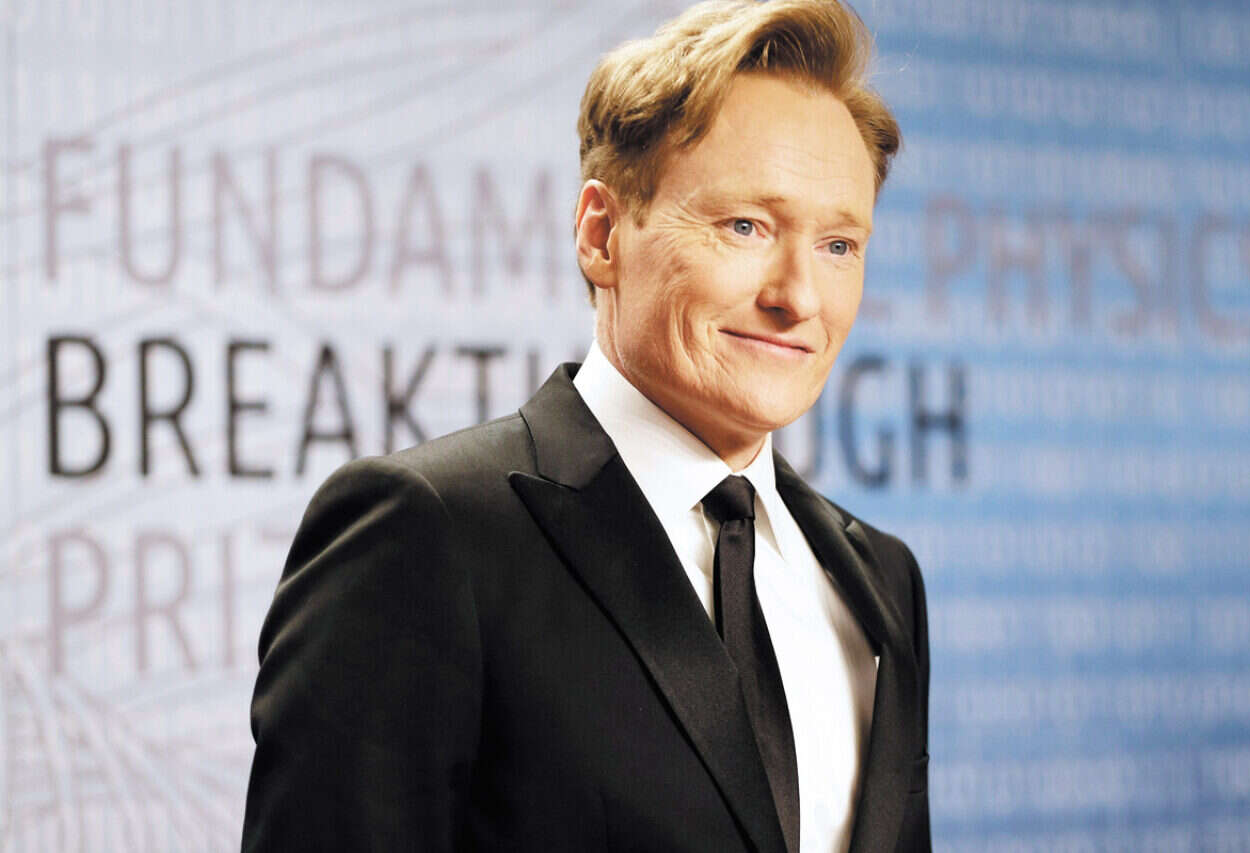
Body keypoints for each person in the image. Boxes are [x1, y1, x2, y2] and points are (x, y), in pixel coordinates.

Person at [241, 0, 929, 850]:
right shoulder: (429, 534)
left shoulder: (879, 581)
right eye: (746, 226)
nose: (799, 297)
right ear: (602, 235)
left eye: (838, 246)